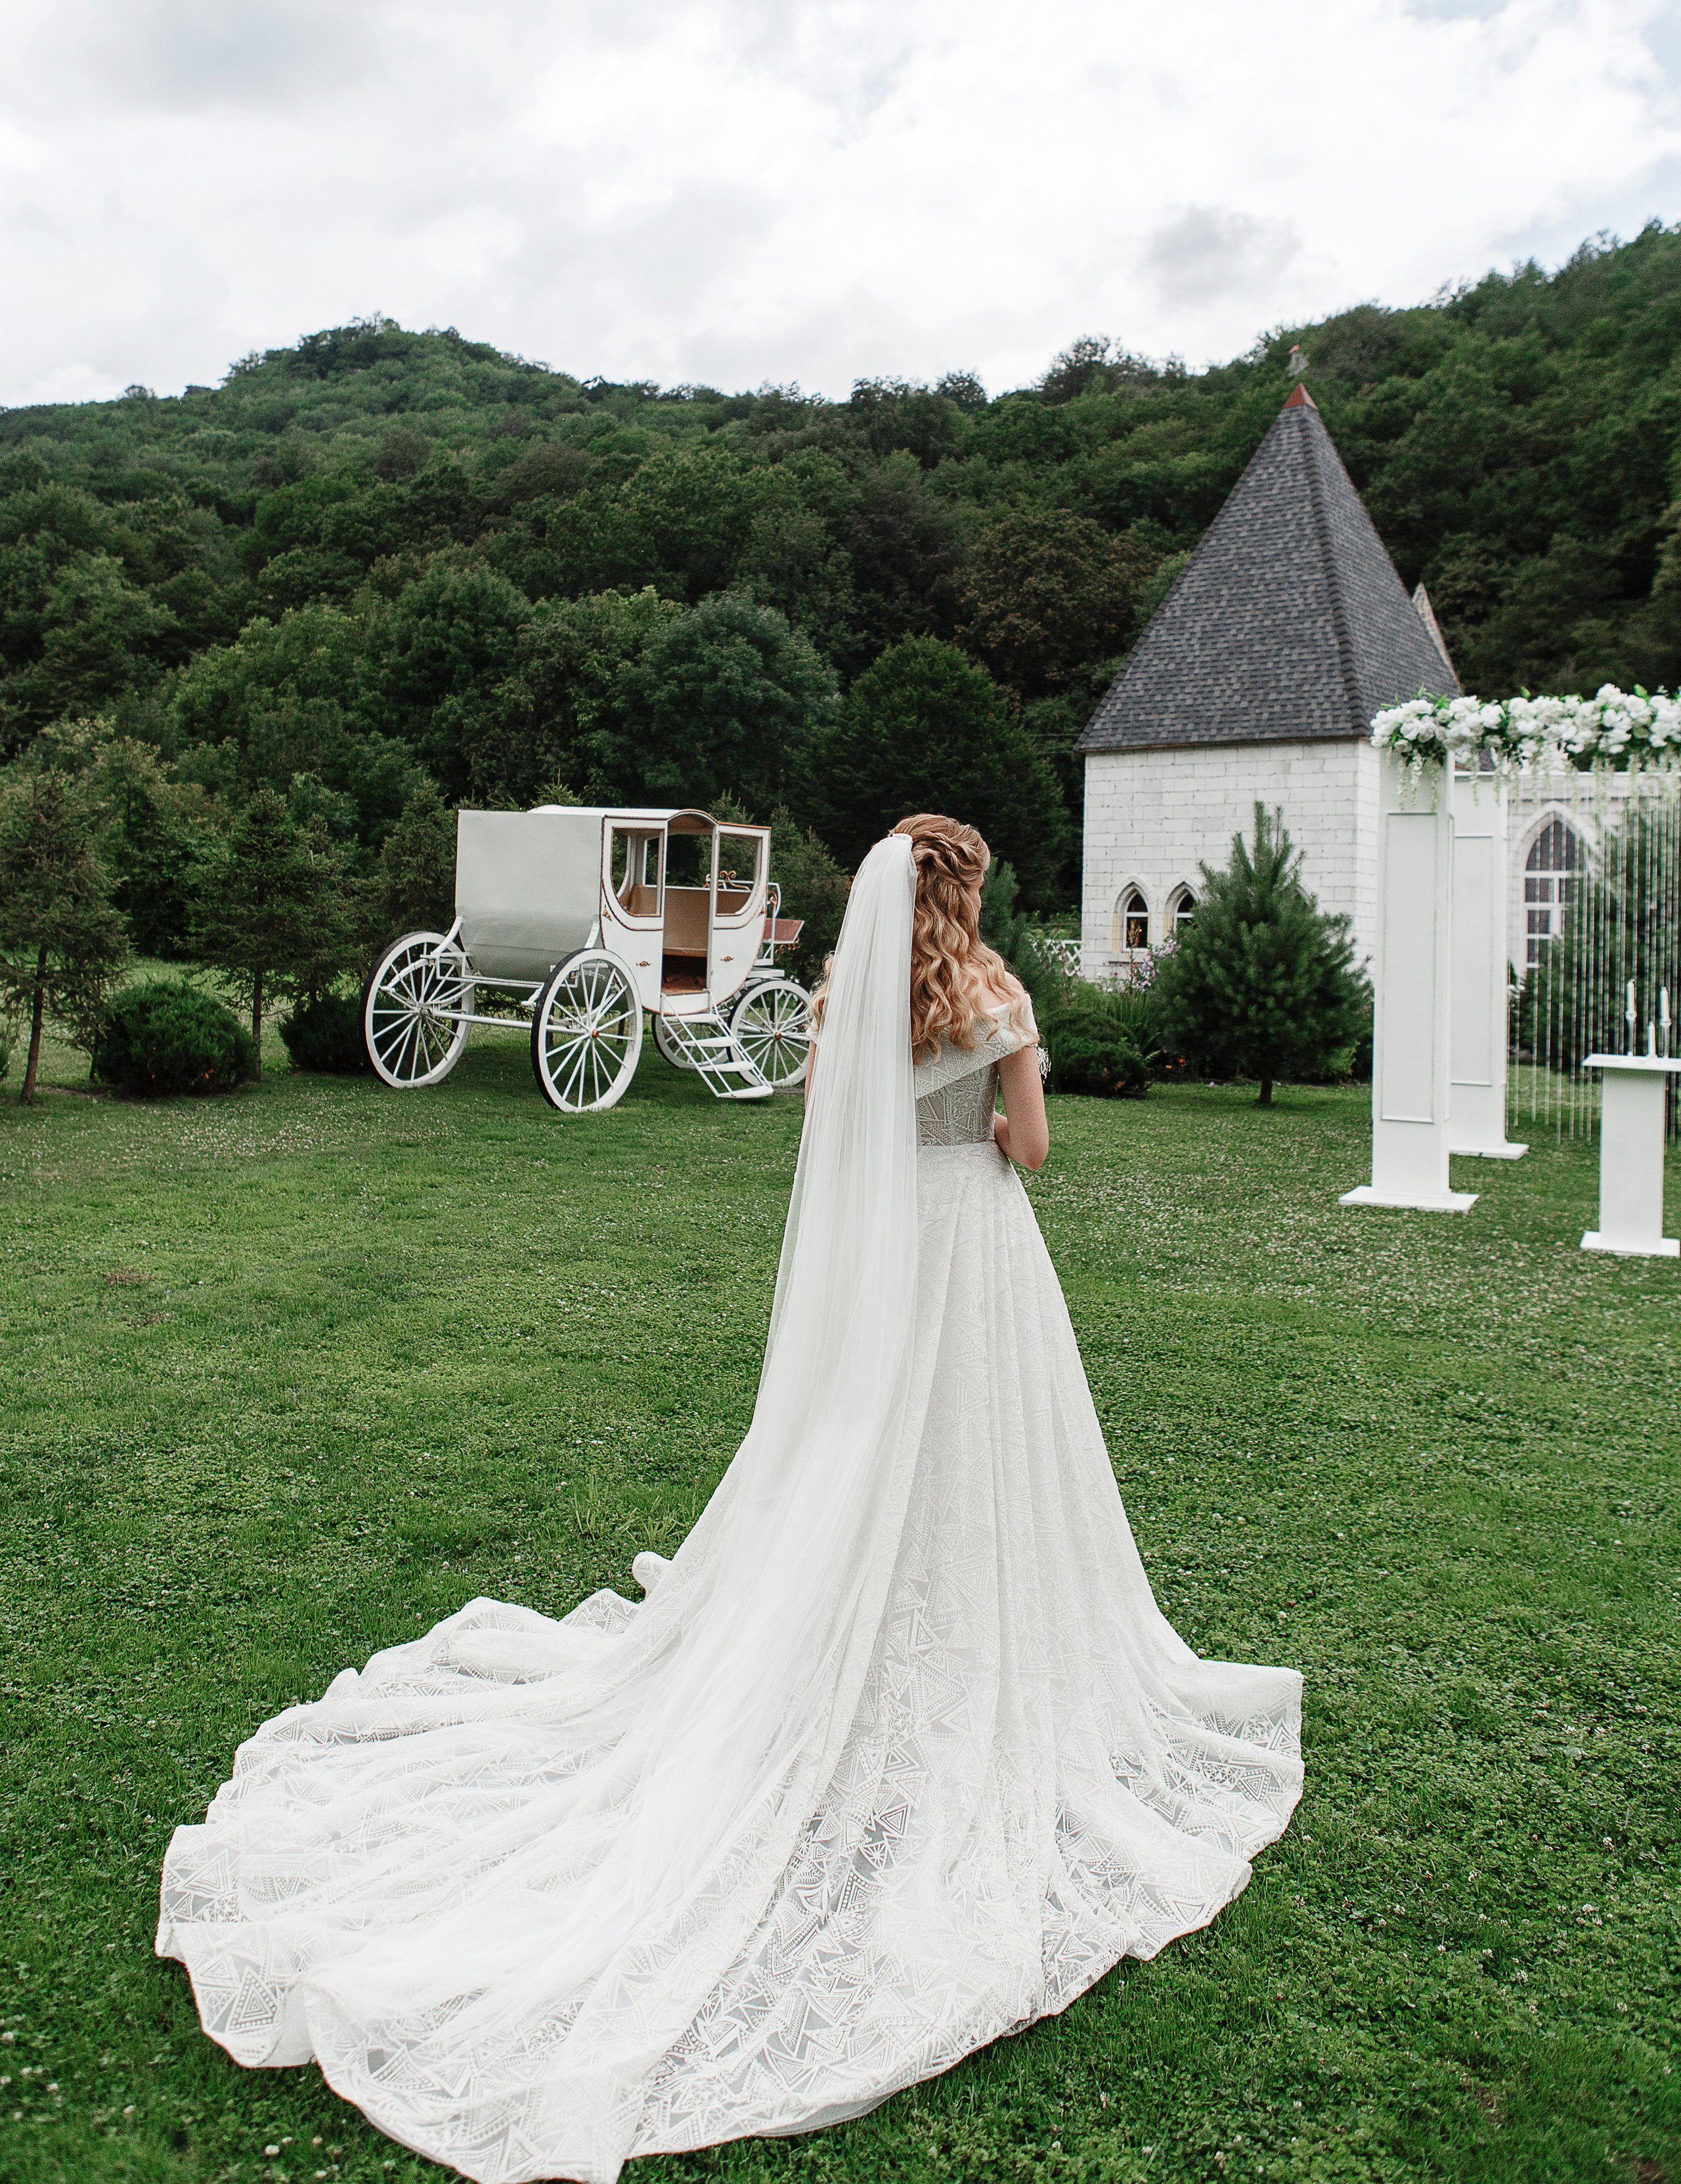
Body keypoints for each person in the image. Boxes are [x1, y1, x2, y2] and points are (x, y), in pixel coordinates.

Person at [158, 814, 1301, 2184]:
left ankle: (844, 1624)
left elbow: (825, 1129)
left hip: (884, 1259)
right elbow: (1033, 1149)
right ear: (970, 892)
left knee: (852, 1445)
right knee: (968, 1453)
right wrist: (991, 1118)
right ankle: (955, 1647)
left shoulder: (841, 998)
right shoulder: (995, 996)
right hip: (973, 1249)